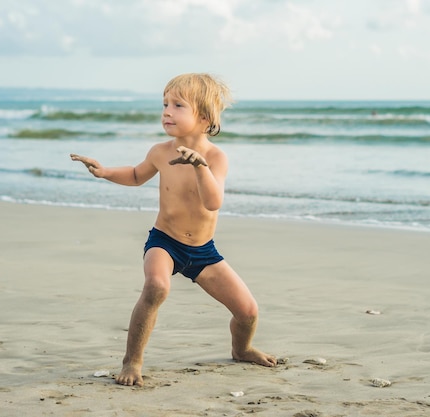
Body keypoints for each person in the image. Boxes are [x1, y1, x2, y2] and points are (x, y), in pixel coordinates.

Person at [70, 73, 276, 387]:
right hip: (164, 241)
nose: (167, 110)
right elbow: (137, 175)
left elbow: (213, 202)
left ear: (205, 118)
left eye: (178, 105)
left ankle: (242, 349)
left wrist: (199, 166)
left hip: (203, 252)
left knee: (248, 311)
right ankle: (132, 362)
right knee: (156, 287)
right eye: (165, 103)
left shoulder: (215, 158)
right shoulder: (160, 152)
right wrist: (105, 172)